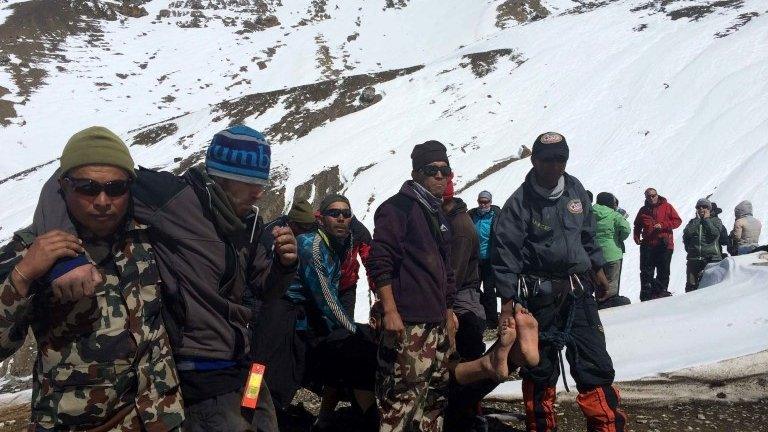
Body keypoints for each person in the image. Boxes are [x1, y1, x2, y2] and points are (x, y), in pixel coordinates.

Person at [29, 125, 298, 432]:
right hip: (201, 371)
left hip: (248, 365)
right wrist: (66, 258)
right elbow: (66, 181)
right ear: (222, 177)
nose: (260, 192)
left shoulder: (249, 223)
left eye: (261, 182)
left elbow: (265, 290)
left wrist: (284, 266)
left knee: (264, 424)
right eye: (250, 182)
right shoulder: (173, 198)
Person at [0, 127, 184, 430]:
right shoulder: (34, 251)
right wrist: (22, 277)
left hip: (159, 417)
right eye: (87, 188)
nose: (102, 200)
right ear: (64, 186)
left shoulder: (146, 236)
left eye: (115, 188)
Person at [492, 132, 627, 432]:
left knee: (595, 364)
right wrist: (506, 305)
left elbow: (588, 234)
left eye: (561, 159)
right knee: (540, 370)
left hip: (579, 292)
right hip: (537, 300)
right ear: (534, 160)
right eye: (547, 160)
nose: (555, 166)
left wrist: (599, 271)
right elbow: (505, 255)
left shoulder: (575, 189)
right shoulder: (519, 203)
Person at [368, 140, 457, 432]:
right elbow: (380, 261)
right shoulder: (397, 208)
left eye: (446, 170)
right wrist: (390, 310)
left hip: (436, 322)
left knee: (435, 396)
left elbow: (445, 268)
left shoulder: (436, 212)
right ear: (416, 172)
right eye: (432, 170)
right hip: (408, 323)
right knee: (402, 399)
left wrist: (449, 310)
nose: (441, 176)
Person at [286, 194, 379, 431]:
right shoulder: (313, 247)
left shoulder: (341, 239)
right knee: (274, 377)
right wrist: (355, 330)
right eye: (334, 213)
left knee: (349, 355)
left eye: (346, 214)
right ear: (321, 218)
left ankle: (337, 417)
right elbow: (326, 298)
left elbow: (371, 264)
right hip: (289, 319)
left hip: (309, 316)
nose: (341, 218)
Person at [442, 178, 488, 432]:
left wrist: (443, 303)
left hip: (462, 300)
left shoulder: (458, 227)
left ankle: (471, 414)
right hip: (463, 297)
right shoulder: (452, 220)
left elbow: (455, 274)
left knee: (465, 357)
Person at [633, 187, 681, 301]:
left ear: (657, 195)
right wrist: (636, 236)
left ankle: (661, 293)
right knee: (646, 271)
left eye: (653, 195)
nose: (651, 198)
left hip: (664, 244)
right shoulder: (643, 210)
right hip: (648, 244)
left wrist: (663, 225)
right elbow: (637, 225)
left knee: (663, 270)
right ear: (645, 197)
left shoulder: (667, 207)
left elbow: (677, 221)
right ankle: (646, 295)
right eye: (649, 196)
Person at [468, 190, 502, 328]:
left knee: (489, 291)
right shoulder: (471, 215)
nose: (483, 204)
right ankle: (480, 316)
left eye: (485, 202)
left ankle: (492, 322)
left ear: (490, 202)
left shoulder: (497, 216)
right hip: (475, 260)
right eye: (480, 201)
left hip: (490, 260)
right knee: (474, 288)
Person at [593, 192, 631, 309]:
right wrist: (619, 238)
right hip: (612, 252)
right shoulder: (614, 214)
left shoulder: (589, 212)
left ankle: (599, 301)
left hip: (594, 253)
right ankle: (610, 303)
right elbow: (626, 229)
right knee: (612, 280)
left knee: (598, 279)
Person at [683, 199, 725, 292]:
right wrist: (697, 220)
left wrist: (706, 220)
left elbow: (715, 233)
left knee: (712, 285)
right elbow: (687, 234)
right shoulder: (693, 222)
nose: (701, 209)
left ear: (709, 208)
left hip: (712, 258)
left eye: (704, 207)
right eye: (698, 207)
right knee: (691, 286)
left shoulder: (716, 220)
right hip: (694, 259)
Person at [338, 216, 373, 318]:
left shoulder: (359, 231)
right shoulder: (359, 230)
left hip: (346, 286)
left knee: (345, 325)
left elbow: (371, 261)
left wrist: (377, 288)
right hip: (343, 283)